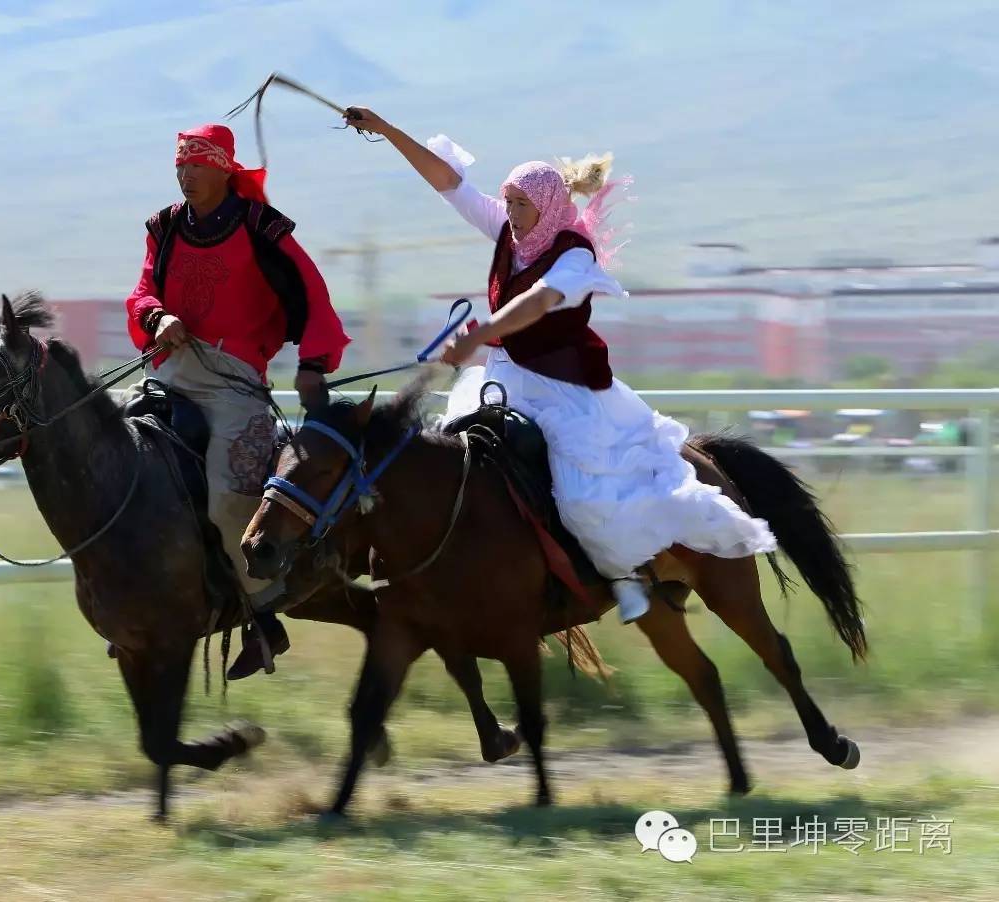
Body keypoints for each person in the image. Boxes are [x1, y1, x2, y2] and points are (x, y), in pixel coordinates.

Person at [342, 107, 776, 624]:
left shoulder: (576, 257)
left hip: (564, 391)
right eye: (508, 201)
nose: (511, 212)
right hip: (502, 379)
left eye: (521, 204)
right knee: (451, 463)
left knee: (581, 494)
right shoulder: (509, 227)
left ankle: (624, 577)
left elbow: (541, 302)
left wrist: (481, 333)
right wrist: (386, 131)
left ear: (546, 206)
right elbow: (448, 182)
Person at [124, 123, 350, 677]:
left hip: (235, 381)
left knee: (228, 498)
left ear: (224, 168)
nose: (186, 175)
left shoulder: (261, 228)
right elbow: (143, 289)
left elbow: (312, 292)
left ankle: (263, 617)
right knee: (116, 460)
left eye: (196, 165)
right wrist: (158, 316)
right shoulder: (166, 228)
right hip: (171, 369)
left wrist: (314, 365)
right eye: (180, 166)